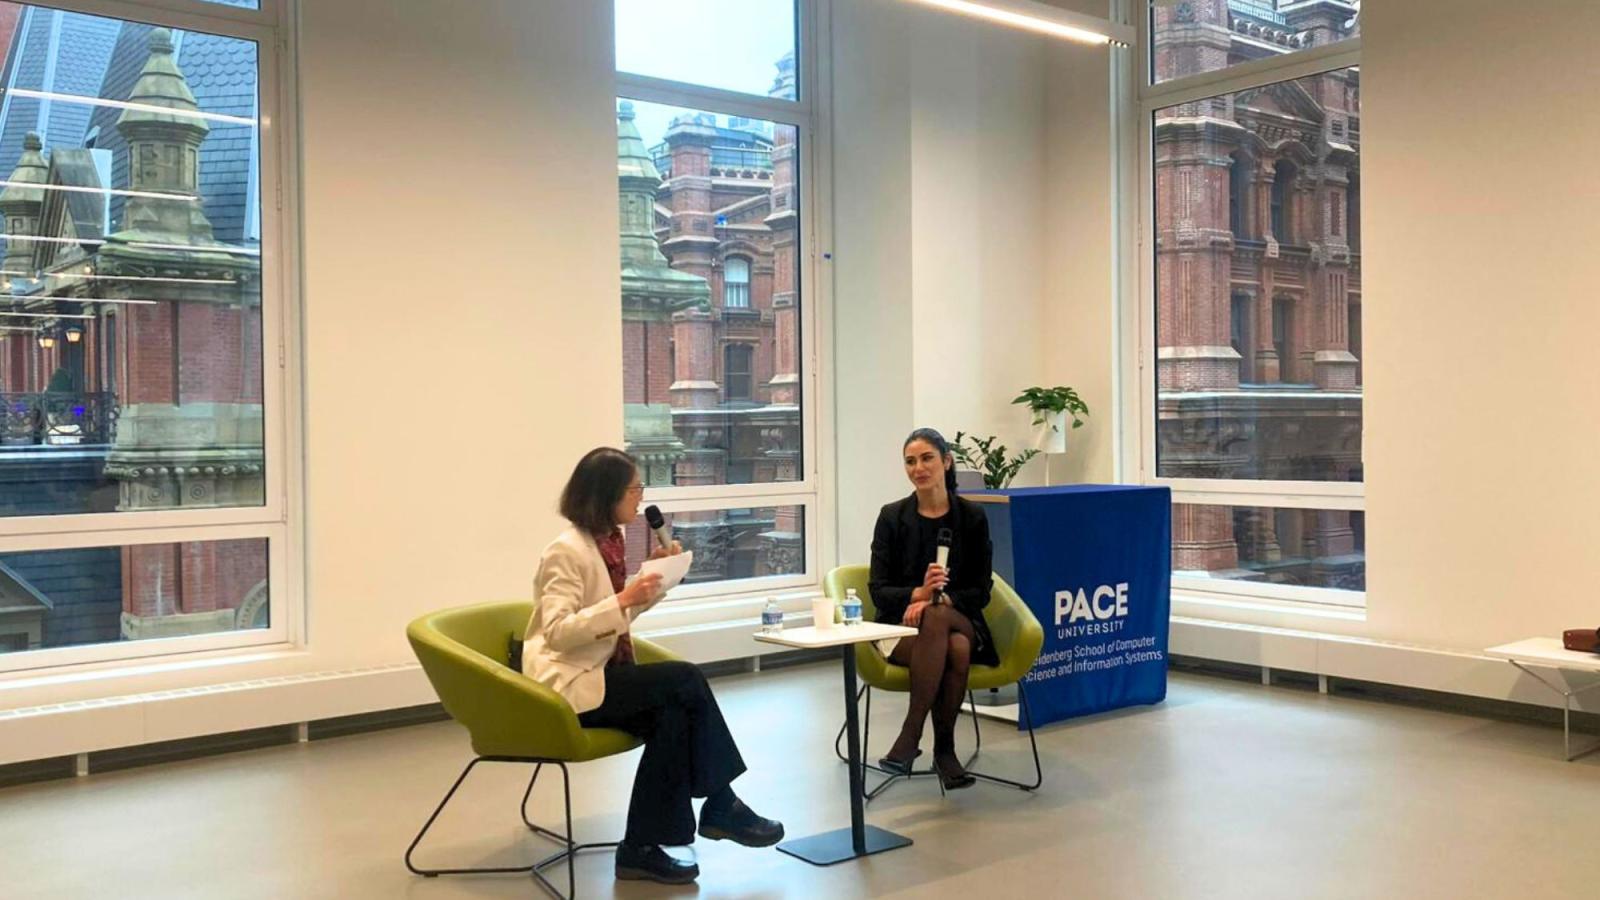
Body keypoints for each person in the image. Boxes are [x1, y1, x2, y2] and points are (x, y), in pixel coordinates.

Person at [521, 447, 783, 885]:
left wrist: (656, 584)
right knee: (684, 678)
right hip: (567, 685)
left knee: (674, 715)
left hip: (601, 672)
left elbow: (614, 622)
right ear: (606, 494)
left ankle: (641, 848)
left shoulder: (609, 542)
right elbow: (559, 633)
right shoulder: (565, 552)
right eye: (633, 488)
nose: (640, 497)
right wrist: (624, 597)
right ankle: (720, 805)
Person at [868, 427, 997, 790]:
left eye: (926, 458)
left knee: (939, 616)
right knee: (955, 647)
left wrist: (935, 601)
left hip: (959, 615)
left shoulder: (971, 516)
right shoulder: (892, 516)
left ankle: (909, 737)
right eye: (910, 461)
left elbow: (981, 589)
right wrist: (917, 594)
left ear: (946, 461)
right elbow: (878, 591)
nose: (918, 468)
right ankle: (945, 751)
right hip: (901, 628)